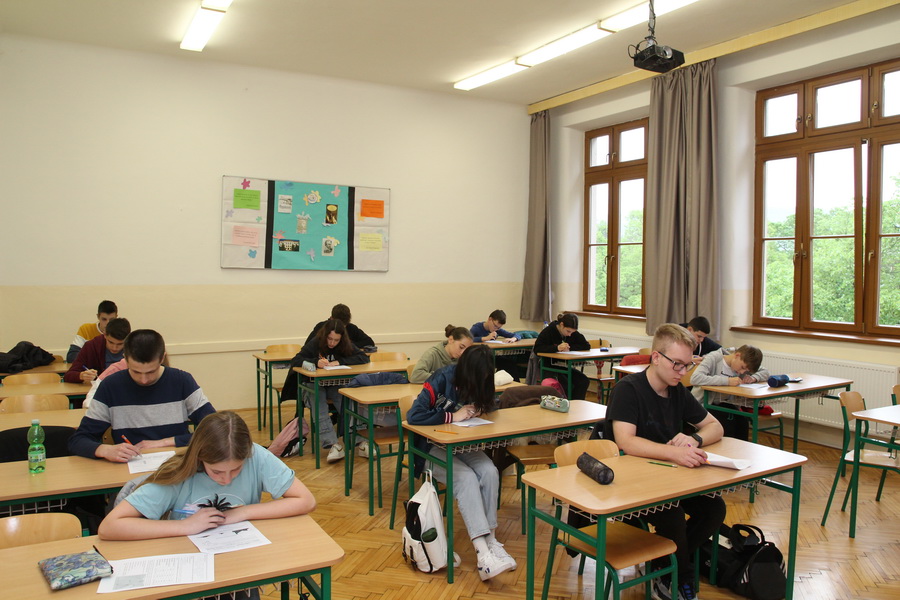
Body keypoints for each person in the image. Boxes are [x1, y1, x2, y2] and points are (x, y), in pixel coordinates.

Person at [99, 411, 316, 600]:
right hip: (187, 574)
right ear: (200, 458)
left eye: (236, 469)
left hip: (239, 568)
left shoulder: (255, 455)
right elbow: (110, 527)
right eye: (217, 472)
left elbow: (306, 500)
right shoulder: (179, 473)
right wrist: (185, 526)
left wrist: (243, 512)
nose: (227, 479)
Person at [602, 323, 726, 600]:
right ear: (656, 357)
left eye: (687, 365)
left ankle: (663, 564)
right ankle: (678, 577)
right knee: (673, 517)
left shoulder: (677, 390)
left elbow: (715, 426)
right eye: (677, 364)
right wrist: (674, 453)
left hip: (669, 479)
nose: (682, 372)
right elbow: (626, 441)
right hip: (630, 483)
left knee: (714, 509)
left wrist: (694, 440)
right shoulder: (628, 390)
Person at [406, 345, 516, 581]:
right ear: (465, 370)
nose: (479, 382)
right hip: (429, 448)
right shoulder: (441, 378)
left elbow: (491, 406)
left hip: (460, 445)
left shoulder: (483, 379)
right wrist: (452, 416)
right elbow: (414, 415)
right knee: (466, 479)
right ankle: (483, 555)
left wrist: (479, 410)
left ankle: (492, 540)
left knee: (489, 471)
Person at [68, 329, 216, 462]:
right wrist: (105, 450)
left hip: (175, 465)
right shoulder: (111, 386)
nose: (144, 380)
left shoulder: (182, 381)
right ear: (125, 359)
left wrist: (164, 443)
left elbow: (216, 431)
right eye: (136, 372)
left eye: (151, 372)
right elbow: (79, 440)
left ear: (162, 358)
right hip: (130, 468)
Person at [293, 318, 370, 463]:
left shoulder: (345, 344)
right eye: (330, 339)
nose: (332, 343)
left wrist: (340, 362)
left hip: (334, 384)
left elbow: (363, 358)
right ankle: (333, 445)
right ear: (325, 335)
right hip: (312, 384)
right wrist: (316, 362)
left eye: (336, 340)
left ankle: (360, 441)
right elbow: (296, 359)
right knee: (319, 404)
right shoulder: (316, 342)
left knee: (347, 402)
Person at [690, 345, 770, 441]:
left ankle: (739, 450)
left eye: (746, 371)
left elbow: (765, 371)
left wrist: (754, 377)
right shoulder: (714, 358)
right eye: (742, 367)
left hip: (727, 404)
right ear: (737, 355)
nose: (742, 372)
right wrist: (727, 381)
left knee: (743, 422)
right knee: (726, 424)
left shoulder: (743, 364)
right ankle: (723, 449)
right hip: (705, 404)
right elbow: (695, 378)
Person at [532, 313, 591, 399]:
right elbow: (537, 349)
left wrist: (570, 348)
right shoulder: (548, 331)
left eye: (572, 332)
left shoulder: (572, 333)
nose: (570, 334)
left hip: (564, 366)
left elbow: (586, 345)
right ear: (561, 325)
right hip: (549, 365)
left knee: (583, 381)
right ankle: (567, 404)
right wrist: (556, 348)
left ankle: (577, 404)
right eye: (568, 331)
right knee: (565, 384)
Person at [63, 318, 131, 383]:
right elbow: (68, 375)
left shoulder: (133, 348)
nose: (114, 348)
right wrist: (81, 376)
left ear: (128, 339)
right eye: (110, 342)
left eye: (120, 344)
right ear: (105, 335)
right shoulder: (92, 346)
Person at [409, 325, 473, 384]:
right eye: (461, 347)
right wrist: (443, 378)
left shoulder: (462, 359)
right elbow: (415, 376)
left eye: (466, 350)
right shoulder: (432, 354)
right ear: (451, 340)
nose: (462, 353)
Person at [471, 309, 523, 380]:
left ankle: (516, 385)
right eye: (495, 326)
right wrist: (485, 338)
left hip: (492, 356)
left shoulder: (497, 330)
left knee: (509, 364)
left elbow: (517, 335)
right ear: (490, 319)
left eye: (499, 328)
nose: (496, 329)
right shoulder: (477, 328)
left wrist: (513, 339)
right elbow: (469, 339)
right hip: (479, 357)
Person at [305, 303, 374, 349]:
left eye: (343, 326)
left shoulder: (352, 328)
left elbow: (369, 342)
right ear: (331, 318)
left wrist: (347, 344)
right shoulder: (321, 327)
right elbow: (307, 346)